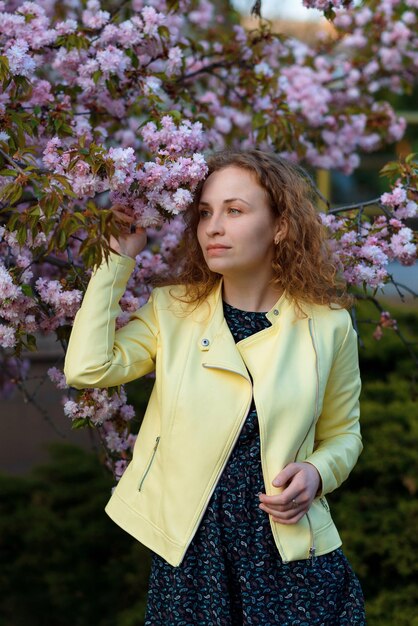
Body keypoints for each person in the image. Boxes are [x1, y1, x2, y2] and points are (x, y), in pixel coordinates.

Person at [64, 149, 366, 625]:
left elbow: (345, 434)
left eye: (235, 210)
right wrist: (115, 262)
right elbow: (87, 369)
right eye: (205, 212)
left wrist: (315, 473)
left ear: (281, 226)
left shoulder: (328, 327)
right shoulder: (172, 310)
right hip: (192, 563)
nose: (213, 227)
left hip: (293, 559)